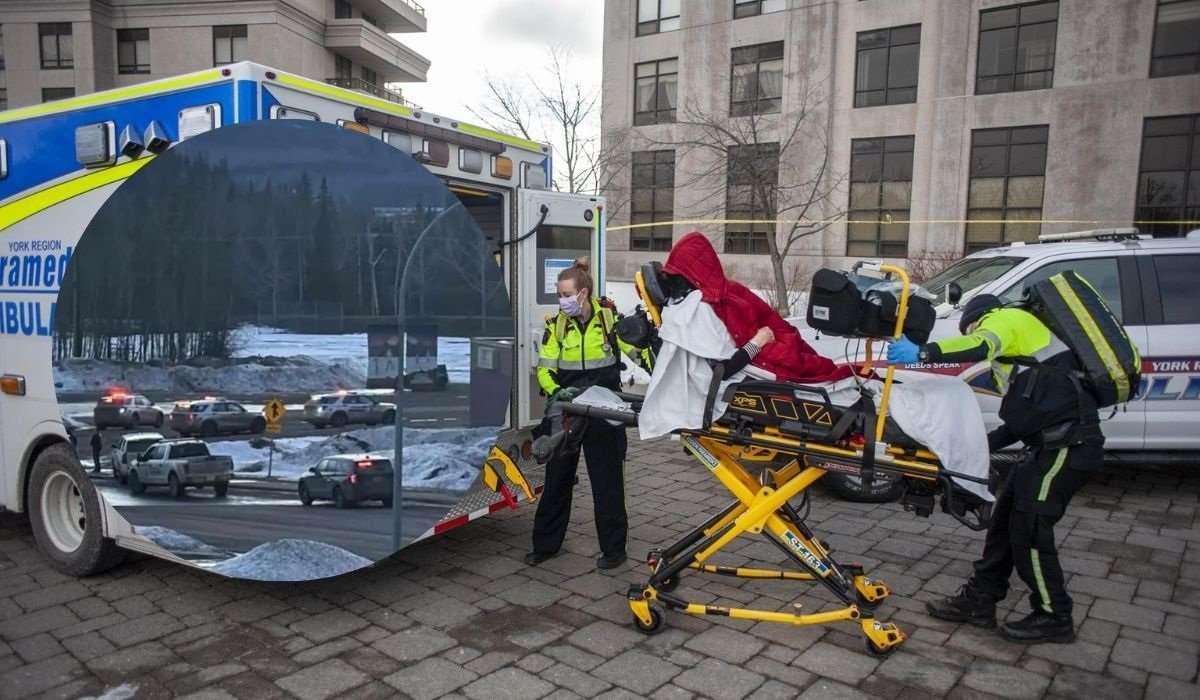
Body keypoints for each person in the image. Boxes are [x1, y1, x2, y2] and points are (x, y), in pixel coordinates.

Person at [887, 294, 1104, 644]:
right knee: (1004, 525)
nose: (975, 332)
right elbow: (1020, 423)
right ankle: (980, 600)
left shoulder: (1006, 319)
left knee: (1031, 531)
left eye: (972, 327)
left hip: (1067, 447)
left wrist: (924, 353)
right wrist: (968, 449)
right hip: (1046, 446)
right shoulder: (1027, 351)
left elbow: (980, 344)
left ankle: (1055, 615)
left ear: (977, 317)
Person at [527, 257, 649, 570]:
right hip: (567, 411)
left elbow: (638, 353)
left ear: (584, 293)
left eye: (566, 294)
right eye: (559, 295)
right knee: (557, 480)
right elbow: (545, 369)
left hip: (604, 411)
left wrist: (650, 349)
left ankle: (614, 550)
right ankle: (545, 546)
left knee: (608, 484)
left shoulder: (608, 320)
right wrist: (557, 391)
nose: (562, 300)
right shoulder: (557, 327)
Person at [657, 232, 851, 384]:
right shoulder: (699, 309)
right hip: (759, 348)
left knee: (803, 353)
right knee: (815, 366)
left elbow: (766, 317)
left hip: (765, 338)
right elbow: (723, 369)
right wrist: (758, 341)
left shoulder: (718, 294)